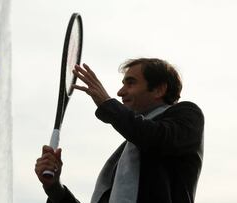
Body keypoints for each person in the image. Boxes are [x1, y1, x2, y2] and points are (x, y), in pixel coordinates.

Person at [35, 58, 204, 203]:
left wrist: (107, 103)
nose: (120, 92)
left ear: (159, 89)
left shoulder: (188, 115)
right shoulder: (127, 153)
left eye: (131, 83)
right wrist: (54, 188)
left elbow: (156, 137)